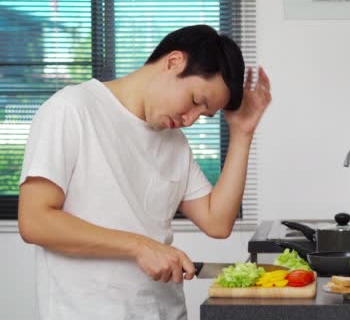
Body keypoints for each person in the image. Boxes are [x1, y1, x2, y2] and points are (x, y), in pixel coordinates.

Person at [17, 24, 271, 319]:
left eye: (204, 116)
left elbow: (217, 222)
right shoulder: (71, 109)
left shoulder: (174, 141)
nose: (190, 120)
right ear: (174, 62)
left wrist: (242, 132)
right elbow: (35, 221)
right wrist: (138, 246)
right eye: (195, 102)